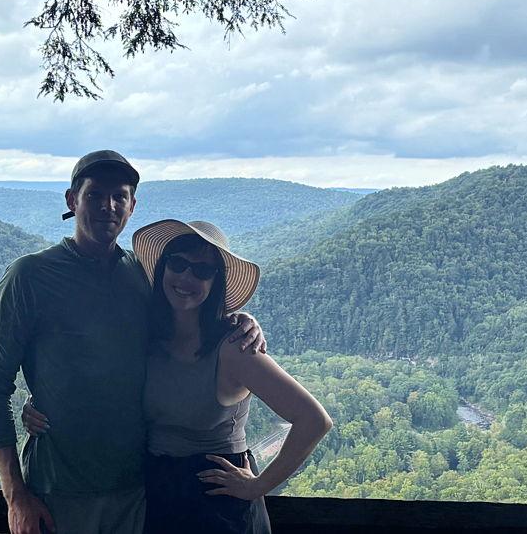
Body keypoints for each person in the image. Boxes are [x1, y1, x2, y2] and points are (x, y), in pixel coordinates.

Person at [0, 151, 267, 534]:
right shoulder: (29, 277)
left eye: (120, 196)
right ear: (72, 200)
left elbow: (187, 318)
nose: (108, 206)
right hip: (57, 490)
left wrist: (239, 321)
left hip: (138, 491)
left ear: (132, 206)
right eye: (95, 195)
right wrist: (15, 496)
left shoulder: (142, 277)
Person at [24, 219, 333, 533]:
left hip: (218, 503)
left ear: (216, 281)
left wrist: (258, 486)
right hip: (159, 491)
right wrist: (40, 404)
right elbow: (97, 375)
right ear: (163, 268)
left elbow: (314, 420)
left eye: (202, 270)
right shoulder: (151, 338)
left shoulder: (234, 348)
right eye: (178, 263)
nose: (187, 277)